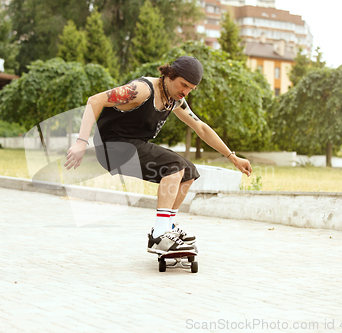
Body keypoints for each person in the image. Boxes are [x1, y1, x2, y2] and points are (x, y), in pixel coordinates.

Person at [65, 56, 252, 255]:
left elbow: (201, 128)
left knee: (189, 172)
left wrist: (232, 157)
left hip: (134, 146)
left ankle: (167, 229)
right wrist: (81, 141)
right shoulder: (142, 90)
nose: (186, 92)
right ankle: (159, 237)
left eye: (191, 89)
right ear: (170, 75)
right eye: (184, 85)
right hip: (112, 147)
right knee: (173, 166)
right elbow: (95, 100)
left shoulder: (175, 100)